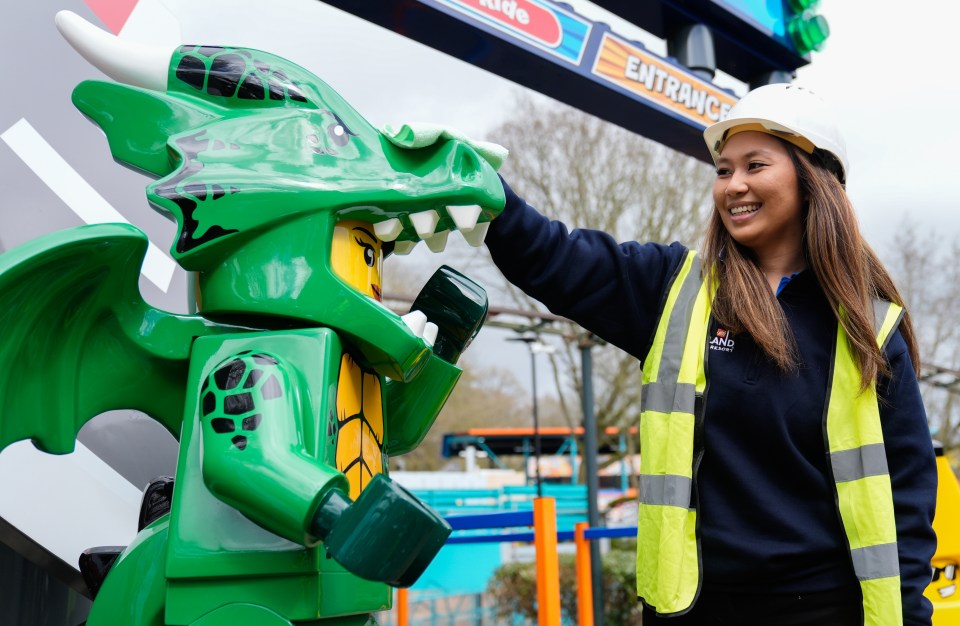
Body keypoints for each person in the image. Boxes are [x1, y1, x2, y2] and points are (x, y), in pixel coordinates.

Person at [485, 84, 937, 625]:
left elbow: (907, 502)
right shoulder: (674, 289)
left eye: (754, 165)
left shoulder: (868, 326)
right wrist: (487, 193)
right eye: (723, 171)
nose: (734, 185)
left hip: (824, 611)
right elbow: (553, 255)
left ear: (813, 177)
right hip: (693, 609)